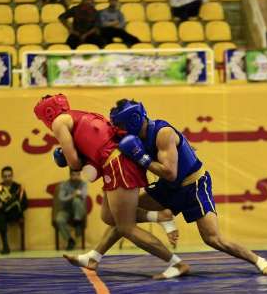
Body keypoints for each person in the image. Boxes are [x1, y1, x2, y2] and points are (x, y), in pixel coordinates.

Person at [105, 99, 267, 275]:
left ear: (134, 119)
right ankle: (95, 256)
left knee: (213, 238)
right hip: (168, 188)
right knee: (124, 216)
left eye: (121, 125)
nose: (119, 130)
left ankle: (258, 260)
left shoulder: (163, 133)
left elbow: (170, 172)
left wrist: (140, 157)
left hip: (193, 187)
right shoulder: (135, 139)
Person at [34, 94, 189, 279]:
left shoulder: (59, 123)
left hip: (117, 164)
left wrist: (64, 158)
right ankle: (96, 257)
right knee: (108, 216)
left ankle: (176, 263)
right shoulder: (78, 116)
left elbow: (74, 163)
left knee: (126, 227)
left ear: (47, 113)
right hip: (115, 163)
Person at [0, 166, 28, 254]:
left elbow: (25, 204)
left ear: (12, 176)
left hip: (15, 214)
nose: (7, 178)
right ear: (2, 177)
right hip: (1, 214)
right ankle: (5, 246)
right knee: (0, 217)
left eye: (9, 176)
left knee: (0, 216)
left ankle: (5, 246)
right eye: (5, 176)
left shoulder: (18, 188)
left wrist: (15, 206)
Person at [55, 169, 87, 250]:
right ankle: (70, 240)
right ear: (70, 175)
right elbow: (61, 198)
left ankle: (77, 222)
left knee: (77, 201)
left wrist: (77, 195)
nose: (76, 177)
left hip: (78, 209)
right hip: (66, 209)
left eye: (78, 175)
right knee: (59, 219)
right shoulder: (64, 185)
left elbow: (84, 196)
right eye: (74, 175)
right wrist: (72, 195)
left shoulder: (83, 184)